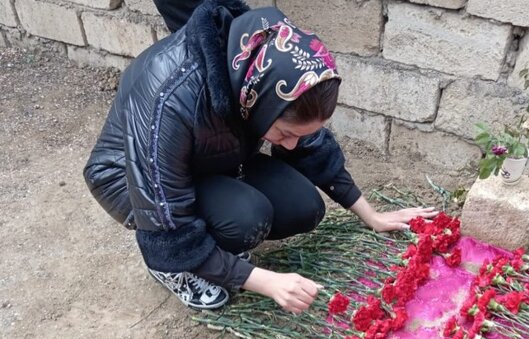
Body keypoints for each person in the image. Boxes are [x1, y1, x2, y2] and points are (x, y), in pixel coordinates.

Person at [84, 0, 436, 314]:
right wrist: (265, 281)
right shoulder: (171, 100)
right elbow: (167, 221)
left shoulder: (261, 64)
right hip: (132, 181)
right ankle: (173, 269)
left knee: (304, 207)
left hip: (210, 154)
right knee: (244, 219)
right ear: (260, 102)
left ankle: (217, 235)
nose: (293, 145)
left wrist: (370, 214)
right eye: (285, 134)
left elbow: (312, 145)